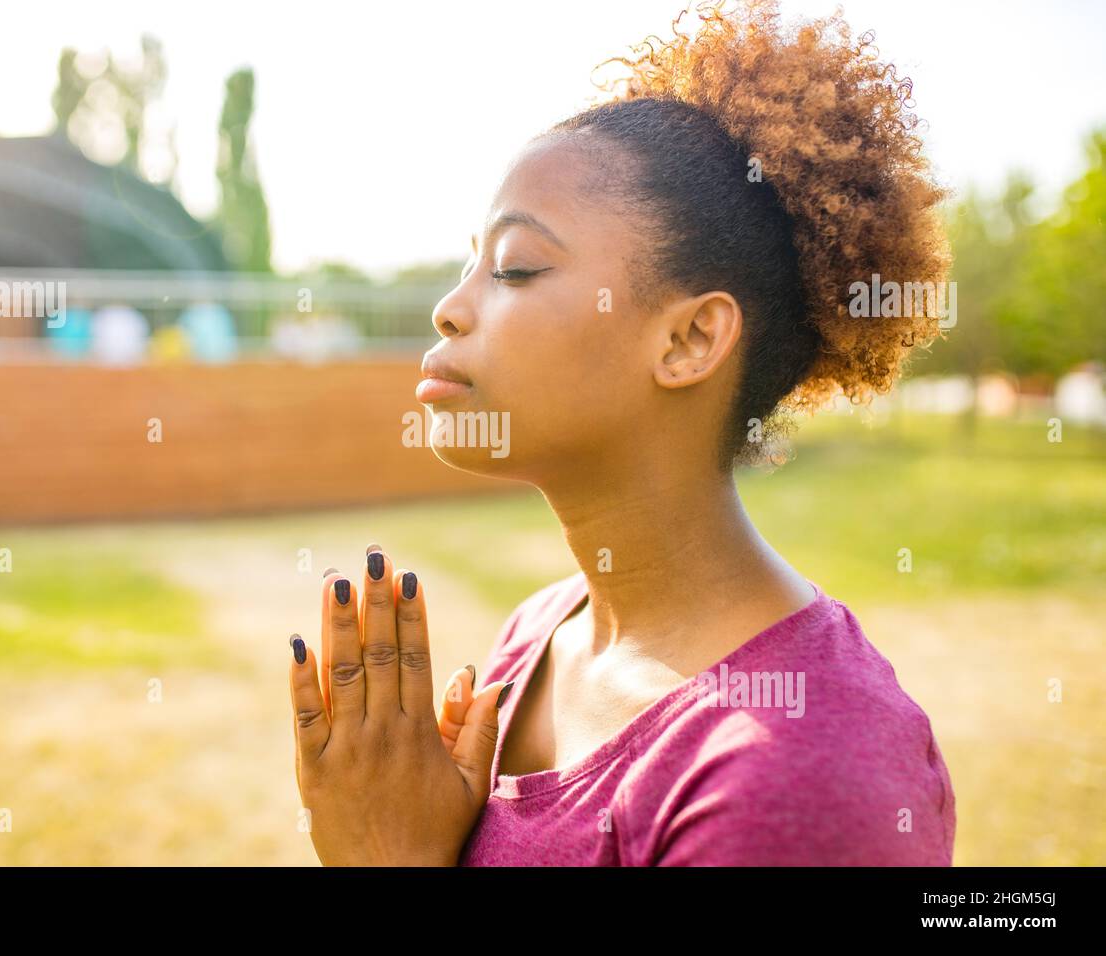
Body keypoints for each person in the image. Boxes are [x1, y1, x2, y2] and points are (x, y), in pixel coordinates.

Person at [286, 0, 955, 866]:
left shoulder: (799, 777)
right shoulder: (542, 633)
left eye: (516, 269)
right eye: (468, 267)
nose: (450, 310)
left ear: (688, 341)